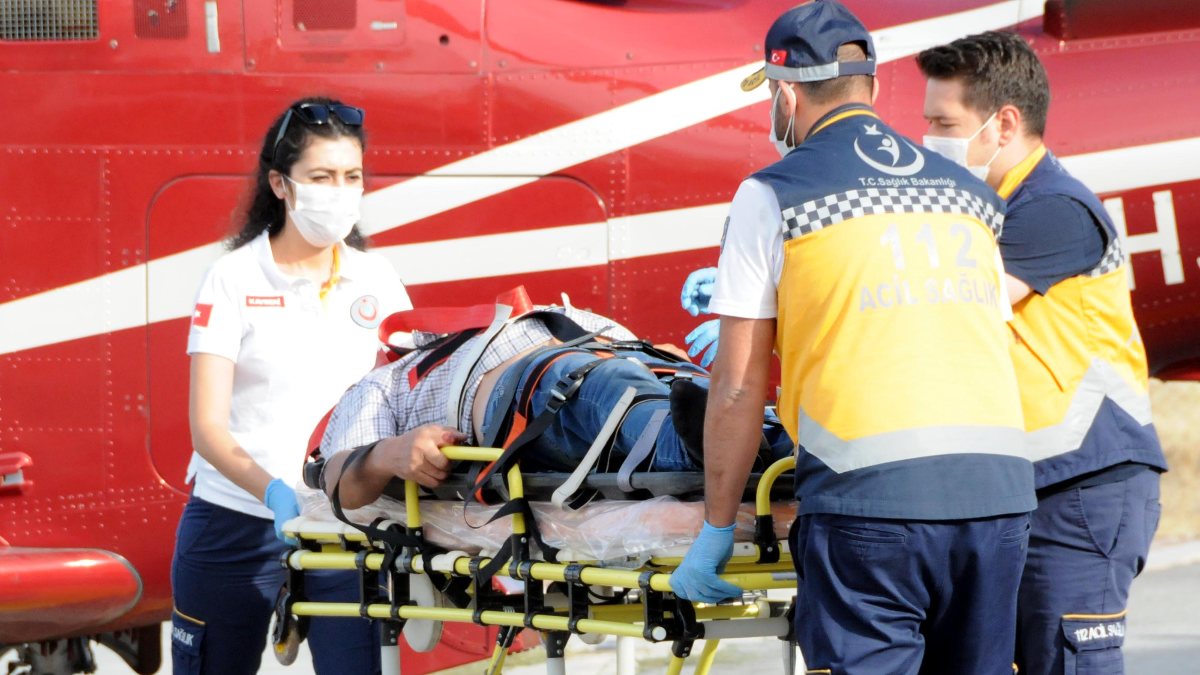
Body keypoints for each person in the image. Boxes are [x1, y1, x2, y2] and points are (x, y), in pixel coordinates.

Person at [669, 2, 1037, 673]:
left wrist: (717, 527)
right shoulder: (972, 194)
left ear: (785, 96)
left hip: (870, 505)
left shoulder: (774, 194)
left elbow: (739, 385)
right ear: (870, 85)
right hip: (999, 497)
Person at [917, 32, 1168, 675]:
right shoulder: (990, 210)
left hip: (1083, 486)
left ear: (1003, 124)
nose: (929, 139)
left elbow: (952, 305)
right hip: (1031, 487)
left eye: (945, 124)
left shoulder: (1053, 207)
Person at [170, 96, 412, 675]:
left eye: (351, 176)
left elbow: (405, 395)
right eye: (321, 177)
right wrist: (274, 493)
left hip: (345, 521)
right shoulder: (232, 277)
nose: (340, 191)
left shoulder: (376, 278)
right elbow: (207, 429)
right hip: (234, 522)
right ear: (280, 184)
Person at [315, 302, 793, 510]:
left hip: (617, 355)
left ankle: (788, 443)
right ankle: (699, 443)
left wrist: (663, 356)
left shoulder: (515, 315)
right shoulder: (381, 384)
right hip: (537, 389)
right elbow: (335, 480)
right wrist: (389, 454)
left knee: (669, 382)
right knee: (608, 389)